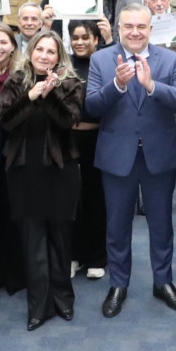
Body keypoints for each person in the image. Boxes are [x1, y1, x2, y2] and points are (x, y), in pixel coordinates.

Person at [84, 4, 176, 316]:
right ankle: (118, 284)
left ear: (150, 29)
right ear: (119, 29)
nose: (135, 32)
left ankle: (164, 281)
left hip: (159, 155)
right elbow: (91, 106)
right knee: (117, 227)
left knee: (162, 226)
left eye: (141, 27)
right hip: (117, 157)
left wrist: (152, 86)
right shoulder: (101, 59)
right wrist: (117, 85)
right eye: (128, 26)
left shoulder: (170, 59)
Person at [0, 30, 85, 329]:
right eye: (40, 50)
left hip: (61, 172)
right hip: (24, 172)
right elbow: (6, 122)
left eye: (51, 52)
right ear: (30, 52)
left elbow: (68, 120)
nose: (44, 56)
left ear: (59, 57)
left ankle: (63, 299)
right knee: (33, 242)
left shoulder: (71, 84)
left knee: (60, 240)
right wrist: (31, 97)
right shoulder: (15, 82)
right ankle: (38, 306)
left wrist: (48, 96)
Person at [67, 20, 108, 281]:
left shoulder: (103, 62)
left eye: (85, 37)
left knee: (96, 200)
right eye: (75, 37)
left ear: (95, 39)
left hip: (98, 139)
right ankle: (74, 256)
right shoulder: (64, 64)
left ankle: (97, 257)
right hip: (69, 138)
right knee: (71, 200)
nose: (79, 42)